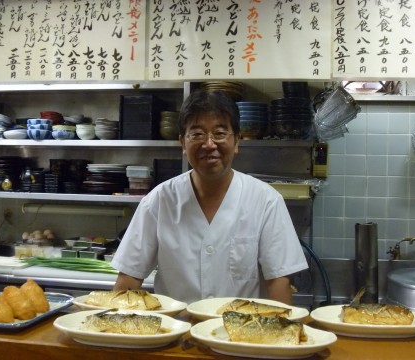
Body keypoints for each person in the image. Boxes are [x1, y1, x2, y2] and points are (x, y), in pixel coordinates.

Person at [112, 89, 308, 304]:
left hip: (239, 334)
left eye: (220, 133)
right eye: (197, 134)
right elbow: (130, 276)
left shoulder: (266, 201)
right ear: (183, 144)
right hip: (176, 331)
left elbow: (279, 281)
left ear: (237, 142)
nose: (209, 144)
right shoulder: (159, 201)